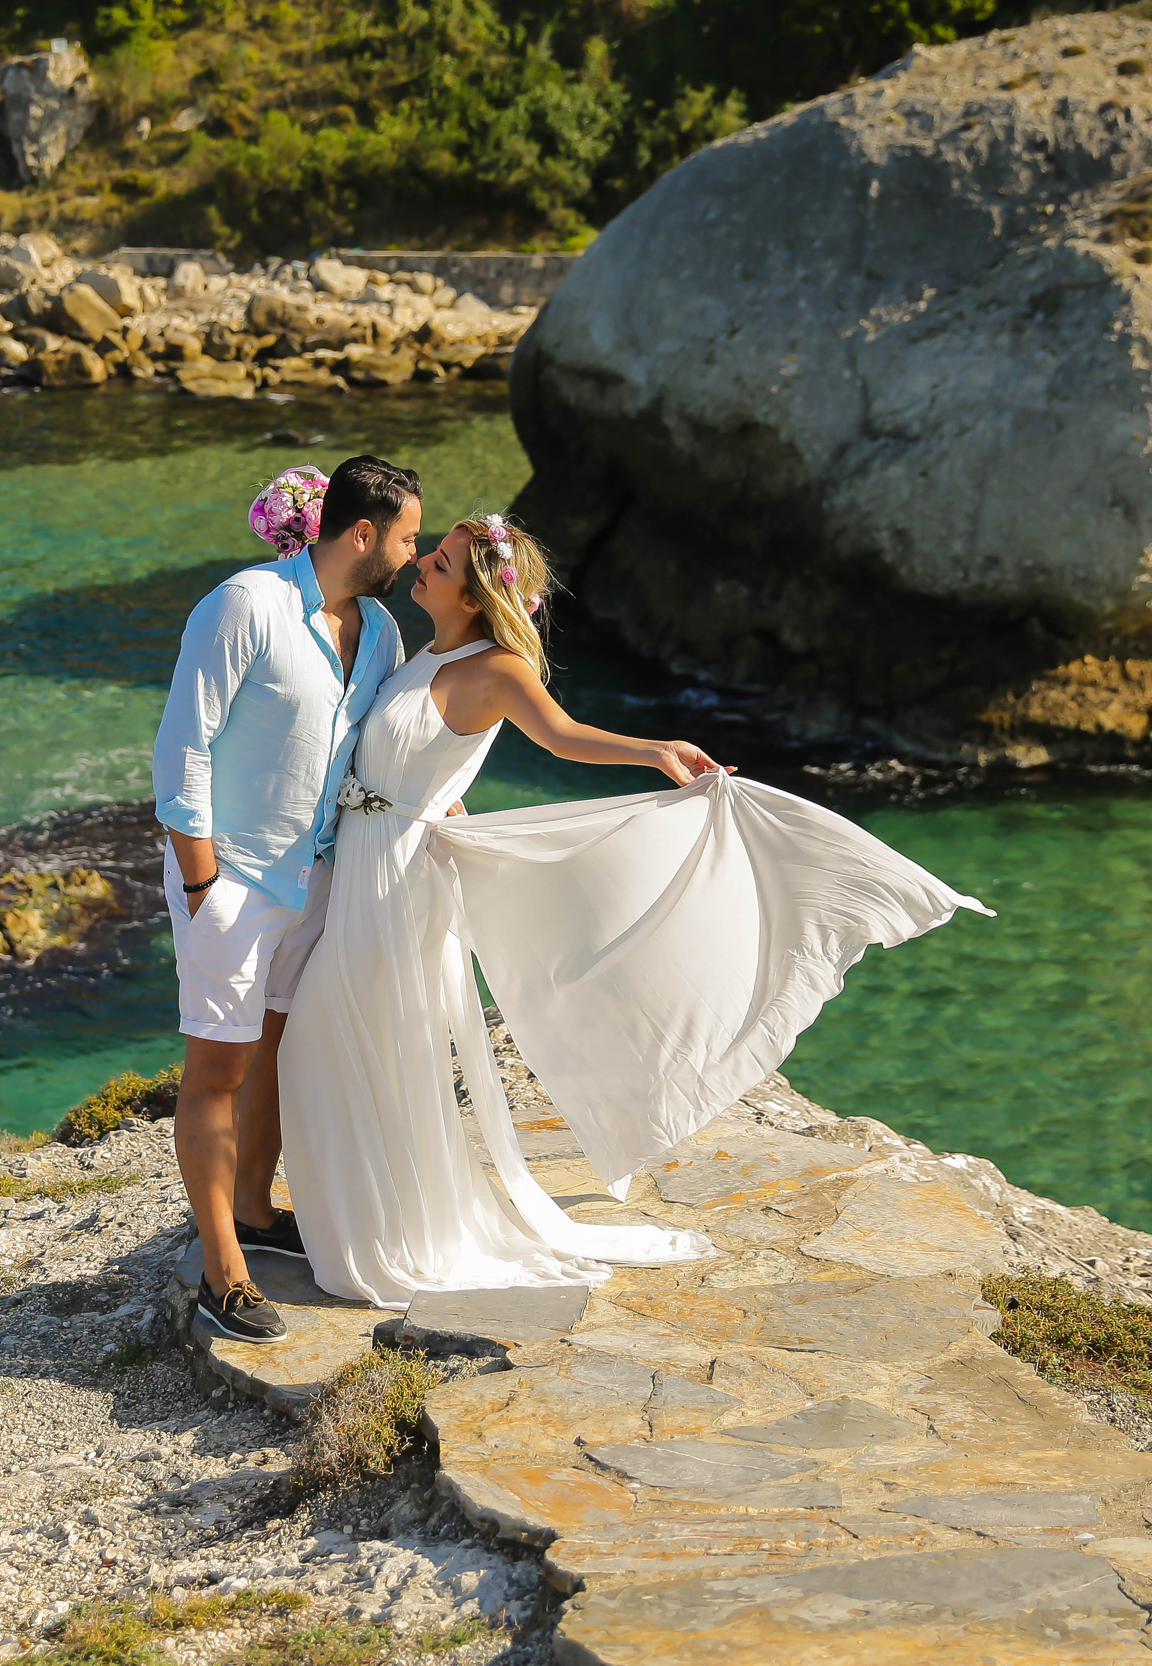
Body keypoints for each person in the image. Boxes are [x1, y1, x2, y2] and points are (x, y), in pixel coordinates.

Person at [274, 514, 990, 1307]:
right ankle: (373, 1221)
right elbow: (419, 756)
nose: (422, 565)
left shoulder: (499, 668)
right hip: (370, 862)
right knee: (355, 1045)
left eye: (439, 563)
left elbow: (563, 736)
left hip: (399, 882)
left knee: (341, 1041)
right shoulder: (418, 652)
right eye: (433, 554)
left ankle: (390, 1234)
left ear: (475, 598)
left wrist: (653, 751)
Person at [149, 455, 423, 1343]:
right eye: (408, 538)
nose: (413, 556)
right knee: (217, 1070)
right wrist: (203, 882)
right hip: (232, 880)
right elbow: (183, 746)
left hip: (317, 878)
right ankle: (222, 1273)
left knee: (272, 1051)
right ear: (363, 533)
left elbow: (376, 749)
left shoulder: (380, 632)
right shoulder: (244, 605)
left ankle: (255, 1210)